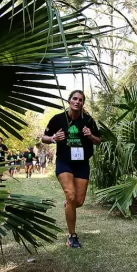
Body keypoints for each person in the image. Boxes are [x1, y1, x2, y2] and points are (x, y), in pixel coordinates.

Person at [42, 90, 101, 248]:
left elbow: (98, 140)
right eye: (74, 98)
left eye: (80, 100)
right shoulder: (58, 119)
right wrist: (54, 138)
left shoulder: (88, 120)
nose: (77, 102)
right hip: (64, 162)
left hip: (82, 163)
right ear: (69, 101)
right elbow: (44, 138)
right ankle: (72, 236)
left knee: (78, 202)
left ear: (83, 103)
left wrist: (90, 135)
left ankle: (69, 204)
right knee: (71, 194)